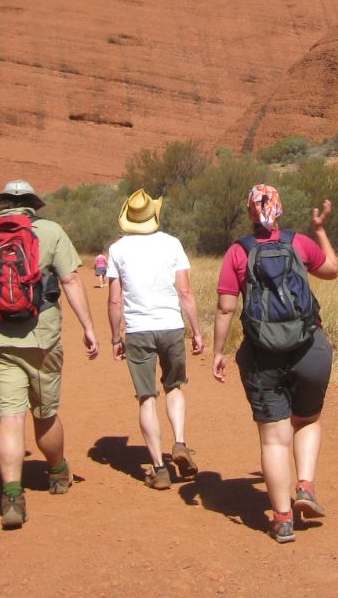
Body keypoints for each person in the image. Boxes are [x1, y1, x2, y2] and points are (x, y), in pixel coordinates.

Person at [0, 179, 100, 530]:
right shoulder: (49, 231)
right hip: (42, 338)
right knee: (45, 413)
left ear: (2, 202)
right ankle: (58, 473)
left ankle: (13, 496)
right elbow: (71, 281)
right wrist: (88, 327)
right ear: (32, 204)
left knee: (10, 417)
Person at [212, 184, 338, 543]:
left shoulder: (237, 252)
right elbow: (331, 270)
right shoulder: (298, 243)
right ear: (279, 210)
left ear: (250, 213)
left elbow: (225, 308)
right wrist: (319, 230)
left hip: (262, 355)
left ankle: (282, 519)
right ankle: (306, 486)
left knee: (274, 440)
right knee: (308, 420)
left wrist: (219, 352)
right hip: (309, 348)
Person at [106, 189, 204, 489]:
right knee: (174, 386)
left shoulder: (117, 250)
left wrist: (115, 337)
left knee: (146, 397)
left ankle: (159, 469)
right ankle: (179, 442)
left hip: (138, 330)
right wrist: (197, 330)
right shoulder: (172, 244)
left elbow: (114, 301)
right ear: (153, 215)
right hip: (171, 326)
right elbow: (185, 292)